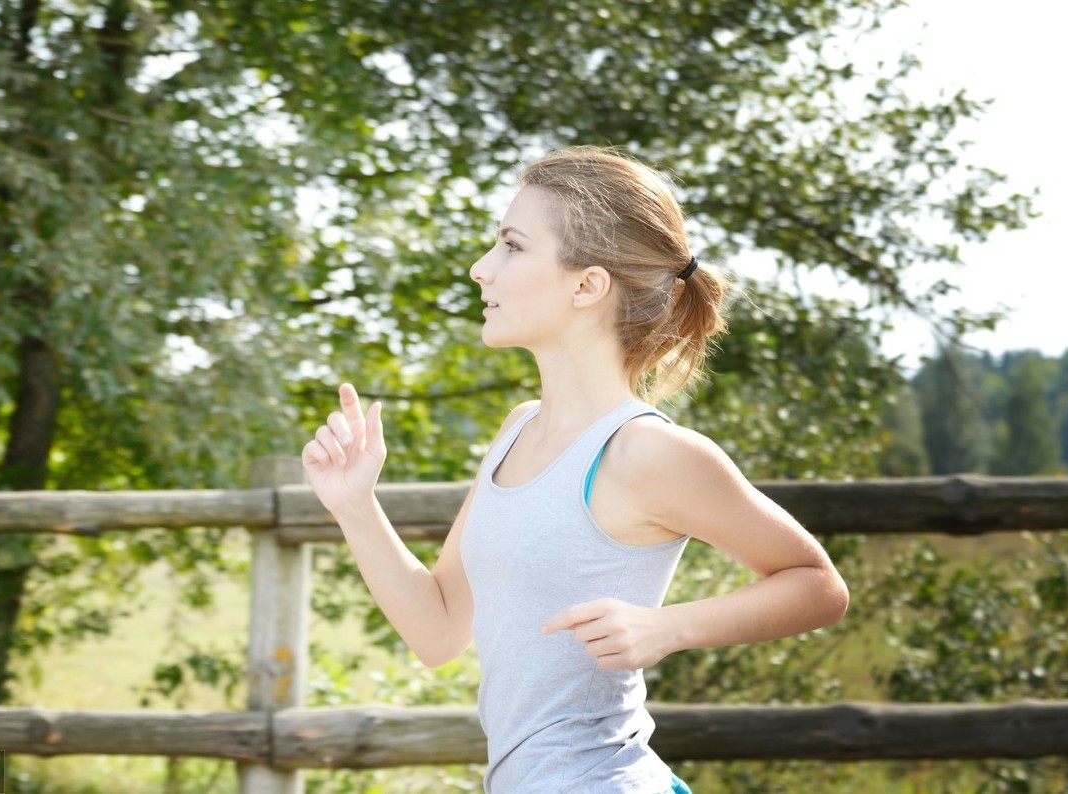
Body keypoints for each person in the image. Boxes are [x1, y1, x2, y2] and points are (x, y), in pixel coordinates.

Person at [301, 146, 849, 793]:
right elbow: (439, 631)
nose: (482, 270)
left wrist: (666, 628)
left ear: (587, 285)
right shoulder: (517, 431)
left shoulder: (645, 452)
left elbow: (817, 584)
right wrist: (354, 504)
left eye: (511, 247)